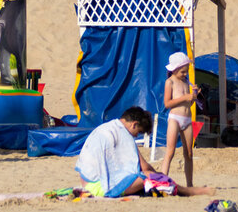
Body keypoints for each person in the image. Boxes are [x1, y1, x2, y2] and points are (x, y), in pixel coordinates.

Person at [76, 106, 215, 197]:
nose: (136, 136)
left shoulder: (107, 127)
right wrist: (160, 175)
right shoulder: (124, 133)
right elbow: (144, 167)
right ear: (134, 124)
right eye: (139, 132)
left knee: (148, 176)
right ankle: (189, 191)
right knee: (151, 176)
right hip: (99, 186)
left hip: (86, 180)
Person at [159, 51, 200, 186]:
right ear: (175, 69)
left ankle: (190, 184)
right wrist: (184, 97)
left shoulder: (186, 82)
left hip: (187, 119)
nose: (185, 74)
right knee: (170, 150)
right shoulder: (170, 82)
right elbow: (167, 103)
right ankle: (162, 182)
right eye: (183, 71)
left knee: (188, 153)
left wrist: (193, 96)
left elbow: (189, 103)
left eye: (186, 71)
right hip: (175, 118)